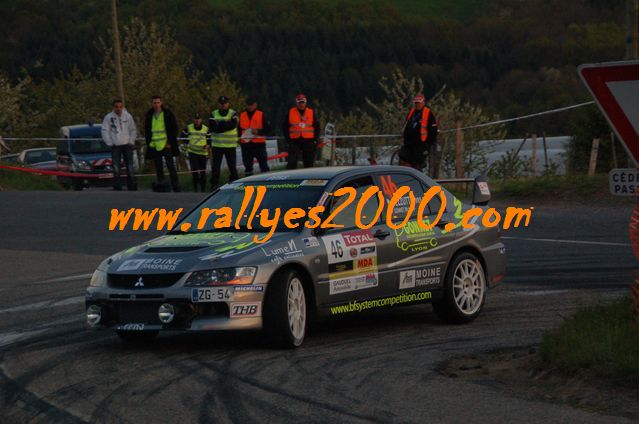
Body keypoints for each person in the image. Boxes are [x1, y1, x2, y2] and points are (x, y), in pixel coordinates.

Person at [144, 95, 181, 192]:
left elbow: (174, 128)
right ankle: (161, 184)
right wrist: (149, 143)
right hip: (155, 145)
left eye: (158, 102)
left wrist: (170, 142)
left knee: (170, 166)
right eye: (154, 103)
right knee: (158, 167)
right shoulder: (149, 114)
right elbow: (147, 130)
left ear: (161, 103)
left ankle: (175, 185)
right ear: (151, 103)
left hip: (165, 144)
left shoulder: (167, 114)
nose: (156, 105)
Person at [101, 99, 138, 191]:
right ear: (113, 107)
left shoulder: (128, 116)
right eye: (116, 107)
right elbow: (105, 131)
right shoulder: (109, 117)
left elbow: (133, 129)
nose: (118, 109)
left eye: (120, 107)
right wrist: (110, 143)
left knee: (129, 165)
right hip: (115, 145)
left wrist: (131, 141)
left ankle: (131, 184)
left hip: (127, 144)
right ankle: (118, 185)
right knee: (116, 166)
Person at [399, 93, 438, 176]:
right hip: (409, 145)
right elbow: (406, 125)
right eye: (416, 102)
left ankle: (419, 182)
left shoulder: (428, 113)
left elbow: (433, 131)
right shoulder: (411, 112)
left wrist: (427, 145)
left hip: (421, 145)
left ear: (423, 102)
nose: (417, 104)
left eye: (419, 102)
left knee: (417, 166)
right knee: (403, 159)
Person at [283, 93, 319, 169]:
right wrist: (288, 140)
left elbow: (317, 127)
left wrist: (315, 140)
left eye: (302, 102)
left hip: (308, 141)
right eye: (299, 102)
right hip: (294, 141)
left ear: (305, 102)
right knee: (291, 163)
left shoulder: (311, 112)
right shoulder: (291, 112)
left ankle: (308, 179)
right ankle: (290, 179)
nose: (301, 104)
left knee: (308, 163)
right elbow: (285, 126)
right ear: (296, 103)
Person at [209, 96, 239, 188]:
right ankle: (214, 184)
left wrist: (220, 124)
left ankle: (235, 183)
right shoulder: (213, 114)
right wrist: (226, 125)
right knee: (215, 167)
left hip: (230, 145)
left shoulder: (233, 113)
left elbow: (233, 125)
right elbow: (213, 128)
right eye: (221, 103)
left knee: (232, 167)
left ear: (228, 103)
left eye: (225, 103)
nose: (223, 105)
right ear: (219, 104)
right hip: (217, 145)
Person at [239, 98, 270, 177]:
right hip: (246, 145)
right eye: (248, 105)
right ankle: (249, 186)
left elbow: (268, 129)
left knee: (264, 166)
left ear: (255, 105)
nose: (250, 107)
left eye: (251, 105)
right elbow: (239, 130)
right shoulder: (242, 115)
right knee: (248, 168)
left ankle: (267, 183)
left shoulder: (261, 114)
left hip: (259, 144)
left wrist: (258, 132)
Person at [181, 113, 210, 192]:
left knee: (203, 172)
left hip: (203, 153)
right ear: (193, 120)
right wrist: (187, 143)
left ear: (201, 120)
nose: (197, 120)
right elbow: (182, 136)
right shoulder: (188, 128)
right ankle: (195, 189)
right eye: (195, 119)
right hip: (192, 152)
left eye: (198, 119)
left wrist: (208, 145)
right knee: (194, 171)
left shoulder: (206, 129)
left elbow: (210, 139)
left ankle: (203, 190)